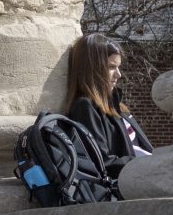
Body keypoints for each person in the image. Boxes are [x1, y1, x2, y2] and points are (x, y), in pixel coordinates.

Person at [65, 31, 153, 166]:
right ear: (92, 68)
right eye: (111, 67)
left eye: (118, 67)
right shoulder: (85, 107)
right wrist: (144, 163)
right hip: (129, 181)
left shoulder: (118, 105)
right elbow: (102, 161)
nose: (119, 75)